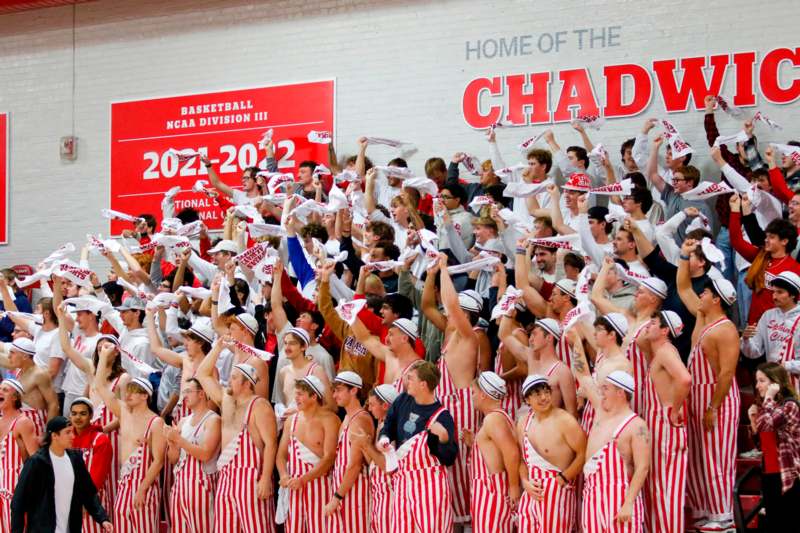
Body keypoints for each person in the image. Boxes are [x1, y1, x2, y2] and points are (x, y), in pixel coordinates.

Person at [677, 241, 741, 532]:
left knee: (717, 458)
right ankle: (705, 509)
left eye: (705, 292)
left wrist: (714, 406)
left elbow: (726, 373)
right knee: (700, 459)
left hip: (718, 398)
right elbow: (683, 288)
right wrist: (682, 255)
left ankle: (723, 514)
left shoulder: (725, 330)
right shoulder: (704, 320)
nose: (700, 294)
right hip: (701, 397)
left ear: (717, 299)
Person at [353, 360, 458, 532]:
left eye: (411, 379)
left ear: (423, 384)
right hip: (402, 482)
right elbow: (389, 425)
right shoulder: (403, 400)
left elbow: (449, 458)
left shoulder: (442, 416)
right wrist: (384, 438)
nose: (406, 382)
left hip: (429, 487)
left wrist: (445, 439)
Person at [422, 254, 481, 526]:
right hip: (447, 405)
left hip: (462, 405)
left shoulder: (471, 336)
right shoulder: (451, 334)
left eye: (455, 312)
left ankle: (470, 522)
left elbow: (450, 304)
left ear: (466, 315)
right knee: (449, 470)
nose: (447, 314)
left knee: (464, 469)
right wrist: (432, 273)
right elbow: (427, 305)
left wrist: (445, 269)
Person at [197, 340, 277, 532]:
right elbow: (202, 374)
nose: (228, 381)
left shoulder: (260, 405)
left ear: (247, 383)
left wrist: (266, 478)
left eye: (233, 378)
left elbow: (271, 443)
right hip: (226, 475)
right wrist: (217, 348)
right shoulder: (226, 400)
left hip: (251, 476)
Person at [94, 343, 166, 533]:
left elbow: (158, 461)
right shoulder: (124, 413)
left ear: (145, 396)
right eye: (128, 391)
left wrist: (142, 489)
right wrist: (103, 356)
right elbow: (100, 386)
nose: (127, 395)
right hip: (124, 481)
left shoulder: (156, 422)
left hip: (144, 484)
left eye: (133, 391)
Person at [638, 311, 692, 533]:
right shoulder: (659, 351)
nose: (647, 326)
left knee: (666, 489)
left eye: (653, 323)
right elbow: (641, 339)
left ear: (664, 330)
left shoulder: (666, 352)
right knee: (658, 487)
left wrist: (675, 409)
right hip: (658, 421)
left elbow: (685, 379)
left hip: (665, 421)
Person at [10, 416, 112, 532]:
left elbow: (88, 493)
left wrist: (102, 518)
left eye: (72, 432)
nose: (73, 436)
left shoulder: (76, 459)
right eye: (67, 432)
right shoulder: (37, 463)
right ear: (54, 436)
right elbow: (18, 502)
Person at [580, 370, 650, 533]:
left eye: (606, 388)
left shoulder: (637, 425)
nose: (601, 392)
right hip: (592, 495)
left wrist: (628, 503)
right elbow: (582, 375)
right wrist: (576, 343)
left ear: (620, 393)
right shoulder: (601, 413)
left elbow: (643, 467)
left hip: (619, 498)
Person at [516, 374, 586, 533]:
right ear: (527, 399)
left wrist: (562, 479)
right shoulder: (523, 423)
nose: (544, 397)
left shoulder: (565, 420)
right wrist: (524, 481)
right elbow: (521, 459)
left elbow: (583, 453)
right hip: (531, 493)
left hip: (557, 493)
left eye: (546, 392)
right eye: (537, 394)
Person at [276, 375, 339, 533]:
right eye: (295, 393)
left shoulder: (330, 420)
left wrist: (303, 480)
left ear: (314, 396)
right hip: (294, 487)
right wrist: (284, 475)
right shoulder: (291, 420)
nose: (295, 398)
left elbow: (329, 457)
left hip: (320, 487)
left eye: (300, 394)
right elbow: (281, 454)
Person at [465, 371, 520, 533]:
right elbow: (495, 453)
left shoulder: (493, 419)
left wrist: (514, 487)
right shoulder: (499, 417)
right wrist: (473, 442)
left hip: (491, 494)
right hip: (489, 492)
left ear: (483, 395)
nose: (472, 397)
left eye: (474, 392)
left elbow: (512, 453)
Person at [164, 376, 221, 533]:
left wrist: (179, 440)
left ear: (201, 394)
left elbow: (205, 454)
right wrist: (171, 443)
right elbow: (173, 459)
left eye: (188, 392)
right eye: (183, 392)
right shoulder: (183, 421)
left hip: (201, 485)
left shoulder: (213, 420)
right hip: (180, 485)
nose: (184, 397)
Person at [747, 362, 800, 528]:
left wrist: (768, 397)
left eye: (762, 381)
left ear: (775, 382)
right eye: (756, 381)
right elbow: (761, 443)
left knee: (787, 522)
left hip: (787, 474)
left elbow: (767, 425)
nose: (757, 386)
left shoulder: (789, 405)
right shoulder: (768, 408)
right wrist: (752, 420)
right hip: (769, 473)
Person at [324, 371, 373, 532]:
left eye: (339, 390)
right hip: (345, 490)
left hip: (356, 493)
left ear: (354, 391)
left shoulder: (360, 419)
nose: (334, 395)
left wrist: (336, 498)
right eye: (334, 390)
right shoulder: (347, 418)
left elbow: (355, 465)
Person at [499, 316, 577, 416]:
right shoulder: (531, 358)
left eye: (534, 334)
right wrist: (508, 313)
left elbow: (572, 413)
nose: (530, 339)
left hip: (548, 428)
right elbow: (504, 335)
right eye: (530, 335)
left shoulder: (562, 371)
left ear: (549, 337)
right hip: (526, 426)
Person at [741, 271, 800, 389]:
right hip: (772, 382)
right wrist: (746, 339)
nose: (774, 296)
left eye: (780, 292)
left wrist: (785, 366)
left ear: (793, 294)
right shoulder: (768, 315)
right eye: (773, 292)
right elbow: (754, 352)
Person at [69, 396, 113, 533]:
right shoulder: (66, 438)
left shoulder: (101, 440)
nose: (78, 418)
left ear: (91, 416)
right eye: (74, 413)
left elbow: (97, 476)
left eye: (83, 413)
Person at [0, 337, 59, 435]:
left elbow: (53, 404)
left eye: (12, 353)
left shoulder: (39, 374)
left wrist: (48, 434)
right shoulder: (19, 369)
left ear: (25, 356)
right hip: (18, 420)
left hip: (34, 423)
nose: (9, 356)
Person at [0, 379, 38, 531]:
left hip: (15, 488)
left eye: (5, 390)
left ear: (16, 397)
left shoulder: (23, 422)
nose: (0, 392)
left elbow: (36, 460)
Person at [361, 384, 398, 533]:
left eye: (372, 404)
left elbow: (387, 466)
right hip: (379, 492)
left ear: (385, 405)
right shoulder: (381, 424)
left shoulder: (392, 429)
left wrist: (367, 446)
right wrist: (363, 446)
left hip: (389, 494)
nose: (369, 409)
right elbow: (373, 464)